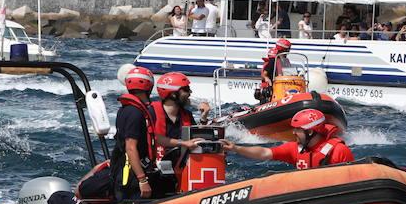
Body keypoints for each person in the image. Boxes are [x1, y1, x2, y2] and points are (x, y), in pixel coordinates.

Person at [223, 108, 353, 170]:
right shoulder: (295, 149)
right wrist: (235, 148)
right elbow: (264, 153)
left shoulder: (339, 151)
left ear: (310, 131)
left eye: (298, 129)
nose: (294, 132)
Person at [106, 66, 159, 200]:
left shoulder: (125, 109)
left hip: (126, 170)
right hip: (130, 176)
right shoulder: (135, 113)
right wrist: (142, 180)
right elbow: (130, 147)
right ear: (149, 87)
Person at [148, 72, 203, 185]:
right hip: (154, 171)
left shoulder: (187, 115)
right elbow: (154, 138)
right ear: (173, 94)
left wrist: (204, 117)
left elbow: (196, 140)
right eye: (186, 90)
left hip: (179, 170)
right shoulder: (151, 113)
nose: (190, 93)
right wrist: (183, 143)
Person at [255, 38, 292, 103]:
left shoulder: (285, 61)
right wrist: (268, 80)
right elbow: (264, 74)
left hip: (283, 87)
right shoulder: (273, 61)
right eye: (287, 50)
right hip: (274, 88)